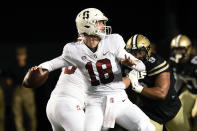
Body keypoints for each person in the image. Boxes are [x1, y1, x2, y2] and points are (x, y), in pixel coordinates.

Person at [31, 8, 155, 131]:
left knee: (147, 127)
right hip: (95, 104)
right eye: (99, 22)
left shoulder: (113, 40)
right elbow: (54, 63)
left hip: (119, 100)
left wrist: (133, 64)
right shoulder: (73, 50)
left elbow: (141, 66)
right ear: (87, 26)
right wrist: (41, 67)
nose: (103, 25)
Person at [122, 34, 189, 131]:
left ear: (148, 51)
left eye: (140, 52)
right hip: (149, 111)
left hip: (169, 108)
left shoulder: (156, 63)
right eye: (132, 52)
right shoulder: (126, 64)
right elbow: (122, 84)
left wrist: (138, 87)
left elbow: (161, 93)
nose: (136, 56)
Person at [169, 34, 197, 131]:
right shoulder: (173, 62)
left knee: (195, 113)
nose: (177, 52)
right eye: (175, 49)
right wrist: (172, 95)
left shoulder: (195, 63)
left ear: (188, 49)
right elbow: (178, 80)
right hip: (190, 92)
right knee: (178, 110)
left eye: (181, 49)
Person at [8, 47, 37, 131]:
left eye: (22, 55)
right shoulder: (12, 67)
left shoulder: (30, 66)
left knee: (31, 115)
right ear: (17, 56)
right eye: (19, 55)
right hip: (17, 91)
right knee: (17, 115)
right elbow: (8, 80)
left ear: (25, 56)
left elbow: (35, 79)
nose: (21, 57)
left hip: (27, 91)